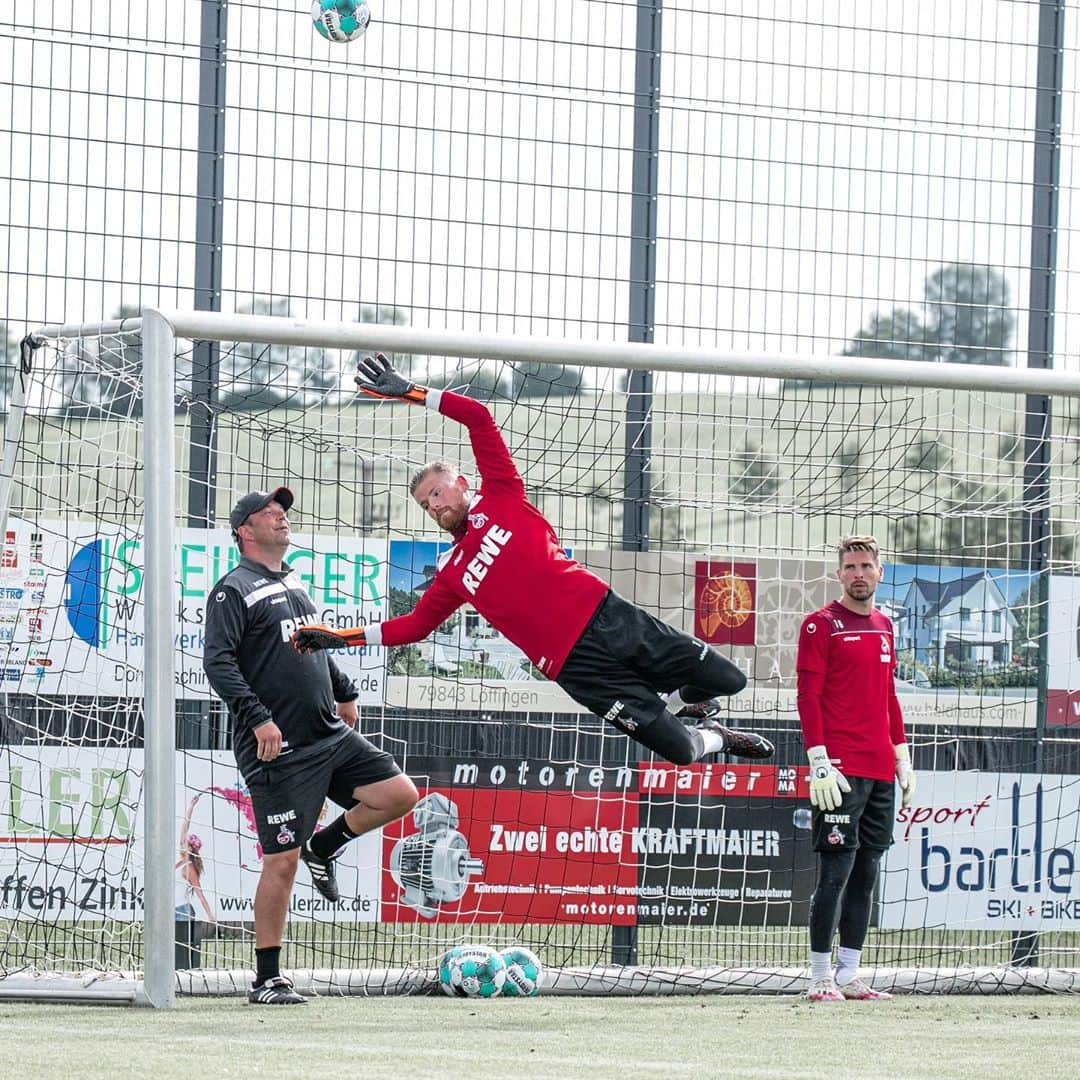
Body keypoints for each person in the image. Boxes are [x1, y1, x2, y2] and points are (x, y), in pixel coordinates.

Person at [291, 354, 773, 767]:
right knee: (684, 753)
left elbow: (478, 417)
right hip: (575, 667)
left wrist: (410, 392)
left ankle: (678, 700)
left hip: (608, 618)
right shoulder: (452, 571)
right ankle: (716, 737)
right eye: (425, 505)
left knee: (728, 679)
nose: (435, 505)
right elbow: (414, 628)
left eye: (437, 492)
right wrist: (341, 638)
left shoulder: (503, 495)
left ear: (461, 483)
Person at [203, 486, 419, 1005]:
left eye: (282, 512)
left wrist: (344, 691)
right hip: (281, 749)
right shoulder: (233, 589)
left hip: (329, 733)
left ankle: (326, 845)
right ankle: (268, 978)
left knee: (399, 794)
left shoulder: (293, 583)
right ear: (244, 532)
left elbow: (313, 644)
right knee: (281, 861)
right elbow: (219, 663)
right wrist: (259, 720)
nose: (281, 518)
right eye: (269, 514)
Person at [796, 535, 916, 1003]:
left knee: (868, 873)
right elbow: (808, 697)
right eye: (851, 566)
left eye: (867, 565)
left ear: (880, 572)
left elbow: (888, 697)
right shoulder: (819, 626)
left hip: (881, 769)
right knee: (835, 873)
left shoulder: (886, 626)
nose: (859, 573)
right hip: (840, 772)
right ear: (839, 573)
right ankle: (820, 976)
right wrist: (819, 759)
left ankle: (849, 973)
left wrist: (902, 755)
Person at [175, 795, 215, 925]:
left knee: (180, 945)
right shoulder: (179, 862)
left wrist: (210, 915)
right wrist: (191, 807)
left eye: (185, 844)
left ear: (191, 849)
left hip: (181, 911)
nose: (181, 844)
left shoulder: (189, 868)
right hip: (171, 909)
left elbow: (200, 893)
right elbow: (185, 826)